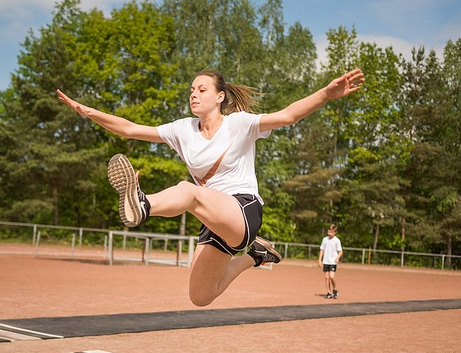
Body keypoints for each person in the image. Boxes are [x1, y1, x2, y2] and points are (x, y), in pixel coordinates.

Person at [57, 68, 364, 306]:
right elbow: (129, 129)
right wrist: (88, 112)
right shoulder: (182, 130)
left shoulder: (239, 123)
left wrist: (326, 93)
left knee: (187, 191)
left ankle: (143, 203)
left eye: (201, 90)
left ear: (219, 97)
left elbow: (288, 115)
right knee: (201, 296)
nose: (194, 94)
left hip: (242, 209)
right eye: (191, 90)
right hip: (212, 217)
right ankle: (255, 255)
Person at [318, 224, 344, 299]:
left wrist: (338, 258)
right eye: (329, 232)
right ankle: (329, 292)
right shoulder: (324, 239)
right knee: (326, 277)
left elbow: (340, 251)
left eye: (332, 232)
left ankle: (334, 289)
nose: (330, 233)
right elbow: (322, 250)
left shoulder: (337, 240)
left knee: (331, 277)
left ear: (335, 232)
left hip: (333, 262)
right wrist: (319, 260)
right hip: (326, 261)